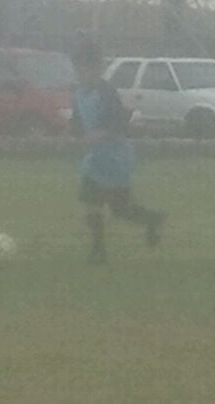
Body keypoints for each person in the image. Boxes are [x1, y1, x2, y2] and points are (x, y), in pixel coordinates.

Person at [70, 42, 164, 264]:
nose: (80, 73)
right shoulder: (80, 93)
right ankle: (98, 251)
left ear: (95, 69)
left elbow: (119, 124)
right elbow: (77, 121)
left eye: (83, 68)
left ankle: (152, 220)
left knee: (120, 209)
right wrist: (76, 133)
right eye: (77, 68)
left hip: (115, 158)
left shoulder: (106, 92)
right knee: (91, 200)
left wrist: (100, 135)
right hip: (95, 158)